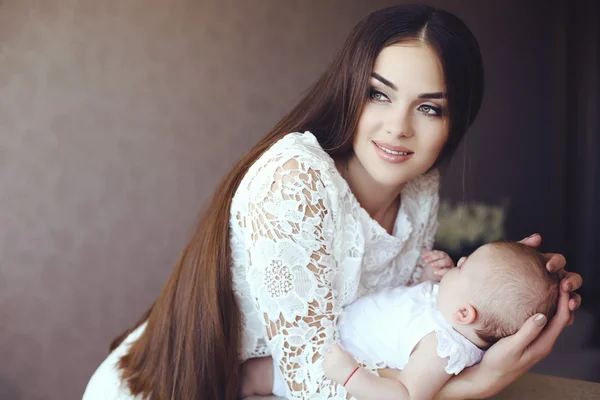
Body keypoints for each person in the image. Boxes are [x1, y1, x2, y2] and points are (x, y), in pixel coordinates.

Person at [82, 4, 582, 400]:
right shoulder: (295, 182)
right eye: (379, 95)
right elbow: (312, 387)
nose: (399, 128)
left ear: (457, 122)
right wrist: (471, 384)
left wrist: (504, 287)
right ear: (350, 89)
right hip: (177, 388)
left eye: (429, 107)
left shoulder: (419, 187)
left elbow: (410, 327)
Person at [322, 241, 560, 400]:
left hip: (334, 358)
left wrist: (349, 375)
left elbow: (404, 394)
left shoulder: (442, 348)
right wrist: (428, 275)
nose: (459, 261)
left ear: (464, 313)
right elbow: (408, 313)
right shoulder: (448, 309)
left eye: (461, 268)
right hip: (330, 326)